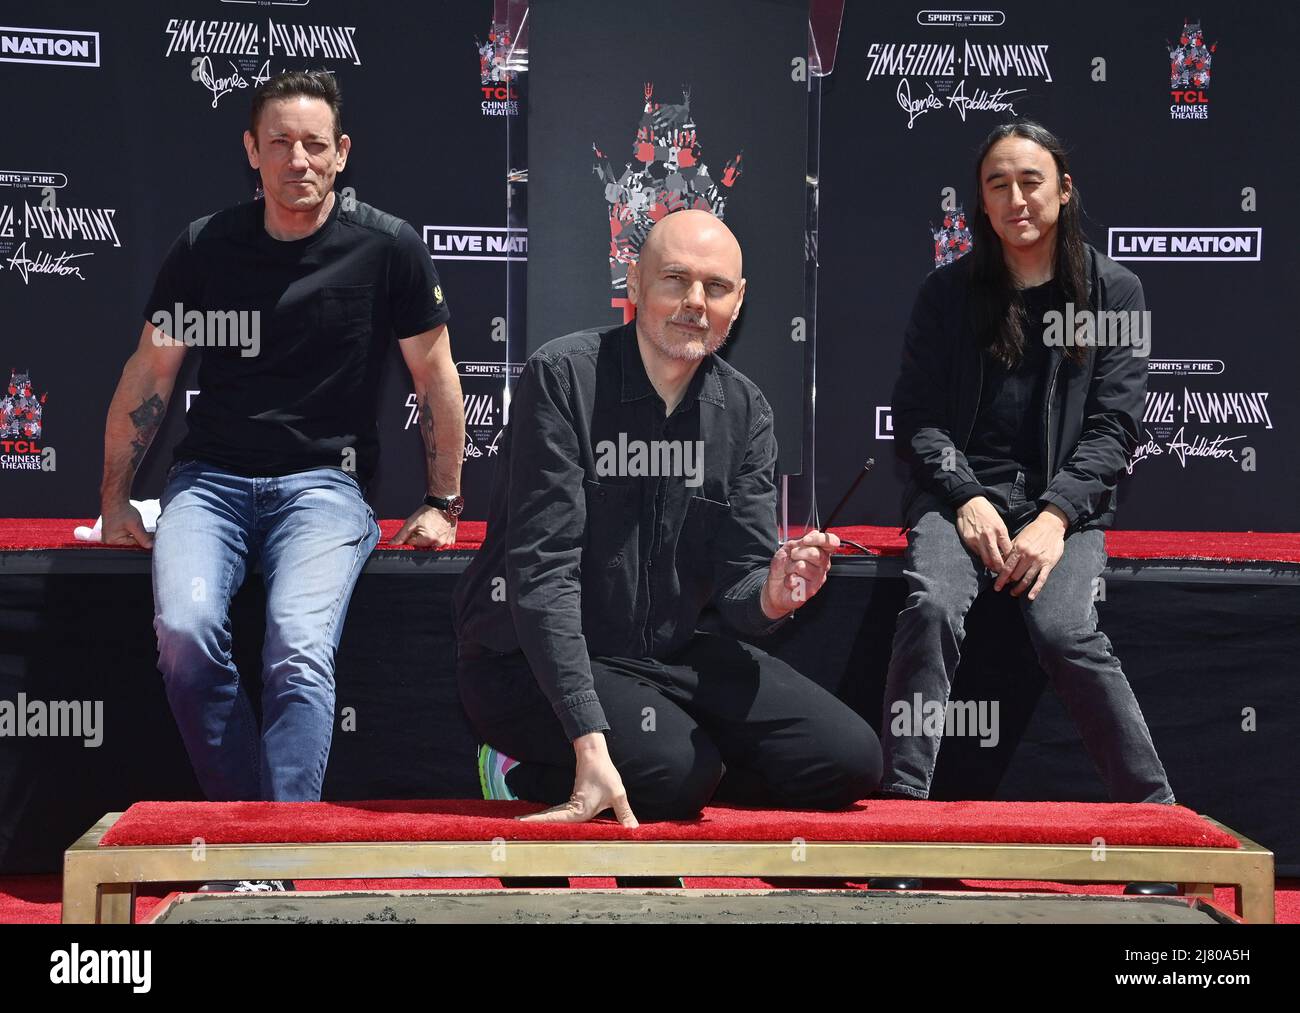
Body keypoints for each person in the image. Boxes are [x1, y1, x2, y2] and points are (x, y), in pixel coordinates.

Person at [99, 72, 466, 821]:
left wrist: (442, 501)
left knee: (298, 645)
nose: (297, 159)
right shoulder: (205, 246)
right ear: (251, 151)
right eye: (280, 143)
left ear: (341, 154)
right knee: (186, 632)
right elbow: (151, 373)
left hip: (325, 489)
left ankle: (274, 847)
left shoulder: (388, 248)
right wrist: (111, 498)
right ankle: (255, 838)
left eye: (314, 144)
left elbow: (435, 378)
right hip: (209, 482)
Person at [454, 209, 880, 826]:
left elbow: (739, 587)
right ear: (633, 283)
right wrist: (587, 735)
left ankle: (678, 766)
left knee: (849, 760)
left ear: (739, 300)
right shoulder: (563, 378)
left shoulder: (745, 411)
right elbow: (542, 576)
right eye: (674, 279)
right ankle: (524, 766)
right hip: (525, 660)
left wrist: (773, 592)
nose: (695, 303)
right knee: (675, 777)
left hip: (664, 657)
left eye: (716, 287)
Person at [881, 121, 1175, 815]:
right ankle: (900, 809)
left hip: (1062, 507)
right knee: (930, 605)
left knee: (1067, 631)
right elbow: (918, 420)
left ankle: (1154, 813)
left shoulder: (1115, 292)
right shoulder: (945, 295)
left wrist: (1056, 515)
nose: (1016, 198)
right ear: (981, 204)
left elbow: (1115, 426)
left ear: (1065, 190)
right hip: (958, 501)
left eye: (1031, 181)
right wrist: (963, 495)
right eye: (998, 185)